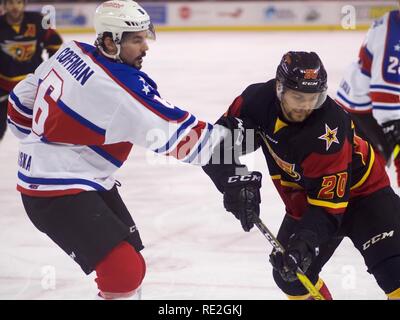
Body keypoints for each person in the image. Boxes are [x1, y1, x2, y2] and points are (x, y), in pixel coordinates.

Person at [7, 0, 232, 299]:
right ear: (111, 40)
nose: (145, 48)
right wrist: (242, 143)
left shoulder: (72, 52)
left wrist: (36, 142)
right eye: (136, 40)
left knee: (132, 266)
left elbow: (21, 101)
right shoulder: (118, 86)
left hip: (73, 177)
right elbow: (177, 134)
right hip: (55, 189)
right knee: (122, 273)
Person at [202, 51, 400, 300]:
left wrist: (305, 244)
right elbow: (214, 145)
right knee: (292, 277)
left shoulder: (328, 129)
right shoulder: (256, 102)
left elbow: (328, 208)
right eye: (298, 97)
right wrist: (232, 181)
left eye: (313, 99)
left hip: (365, 196)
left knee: (395, 271)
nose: (305, 106)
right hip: (309, 198)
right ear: (279, 88)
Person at [336, 3, 400, 185]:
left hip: (359, 105)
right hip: (364, 114)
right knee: (366, 179)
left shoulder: (392, 21)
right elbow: (386, 102)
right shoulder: (394, 38)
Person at [0, 0, 62, 141]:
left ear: (24, 4)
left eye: (19, 2)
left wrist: (52, 68)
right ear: (4, 6)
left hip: (33, 86)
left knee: (42, 129)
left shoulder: (37, 20)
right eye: (10, 3)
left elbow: (54, 42)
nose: (15, 6)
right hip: (3, 86)